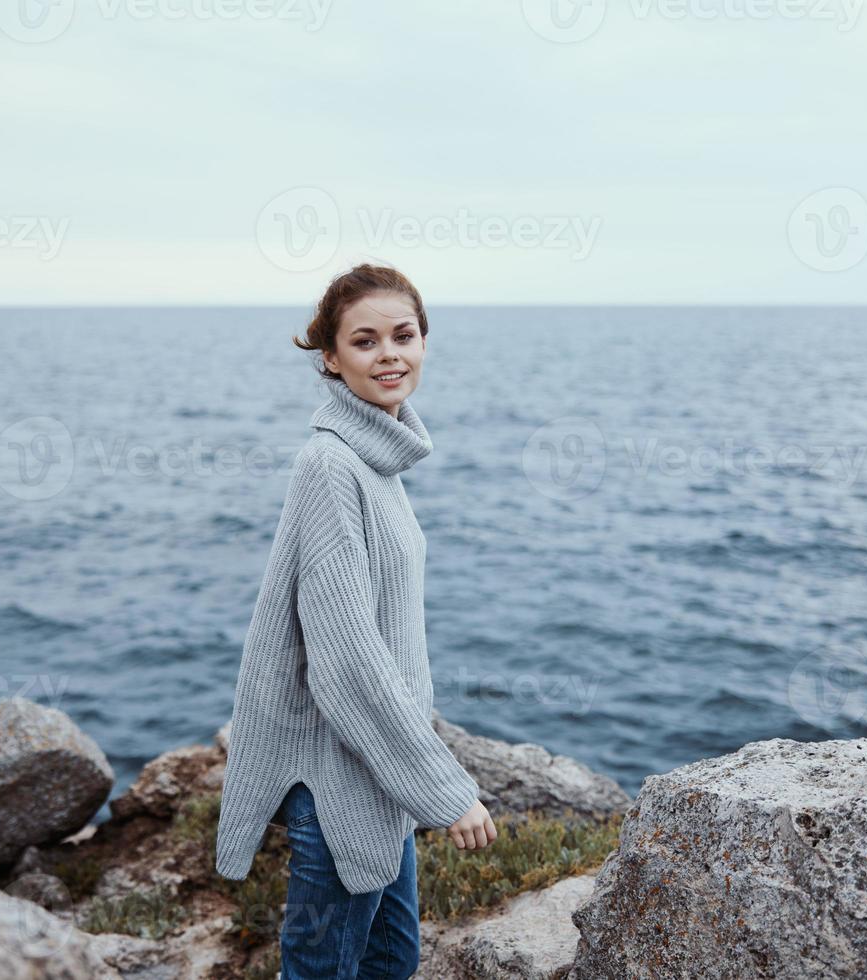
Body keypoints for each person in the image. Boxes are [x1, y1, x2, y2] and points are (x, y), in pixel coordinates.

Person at [214, 263, 496, 978]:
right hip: (336, 787)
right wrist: (446, 790)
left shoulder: (380, 464)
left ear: (425, 342)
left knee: (390, 965)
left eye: (404, 335)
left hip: (377, 781)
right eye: (365, 342)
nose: (390, 354)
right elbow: (345, 663)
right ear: (333, 360)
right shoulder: (330, 466)